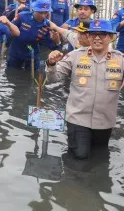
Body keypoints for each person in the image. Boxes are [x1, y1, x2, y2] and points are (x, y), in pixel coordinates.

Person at [46, 19, 123, 159]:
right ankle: (71, 178)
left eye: (102, 34)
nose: (97, 38)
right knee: (79, 156)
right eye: (93, 34)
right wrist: (51, 64)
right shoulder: (75, 56)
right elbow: (53, 78)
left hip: (105, 121)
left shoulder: (120, 60)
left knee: (99, 157)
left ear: (111, 37)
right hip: (78, 118)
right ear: (88, 36)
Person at [7, 0, 60, 71]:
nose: (43, 15)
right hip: (16, 52)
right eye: (40, 12)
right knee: (12, 72)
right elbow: (9, 31)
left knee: (32, 76)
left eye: (45, 13)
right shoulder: (22, 16)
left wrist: (56, 39)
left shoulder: (47, 26)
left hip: (32, 54)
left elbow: (52, 46)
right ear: (34, 9)